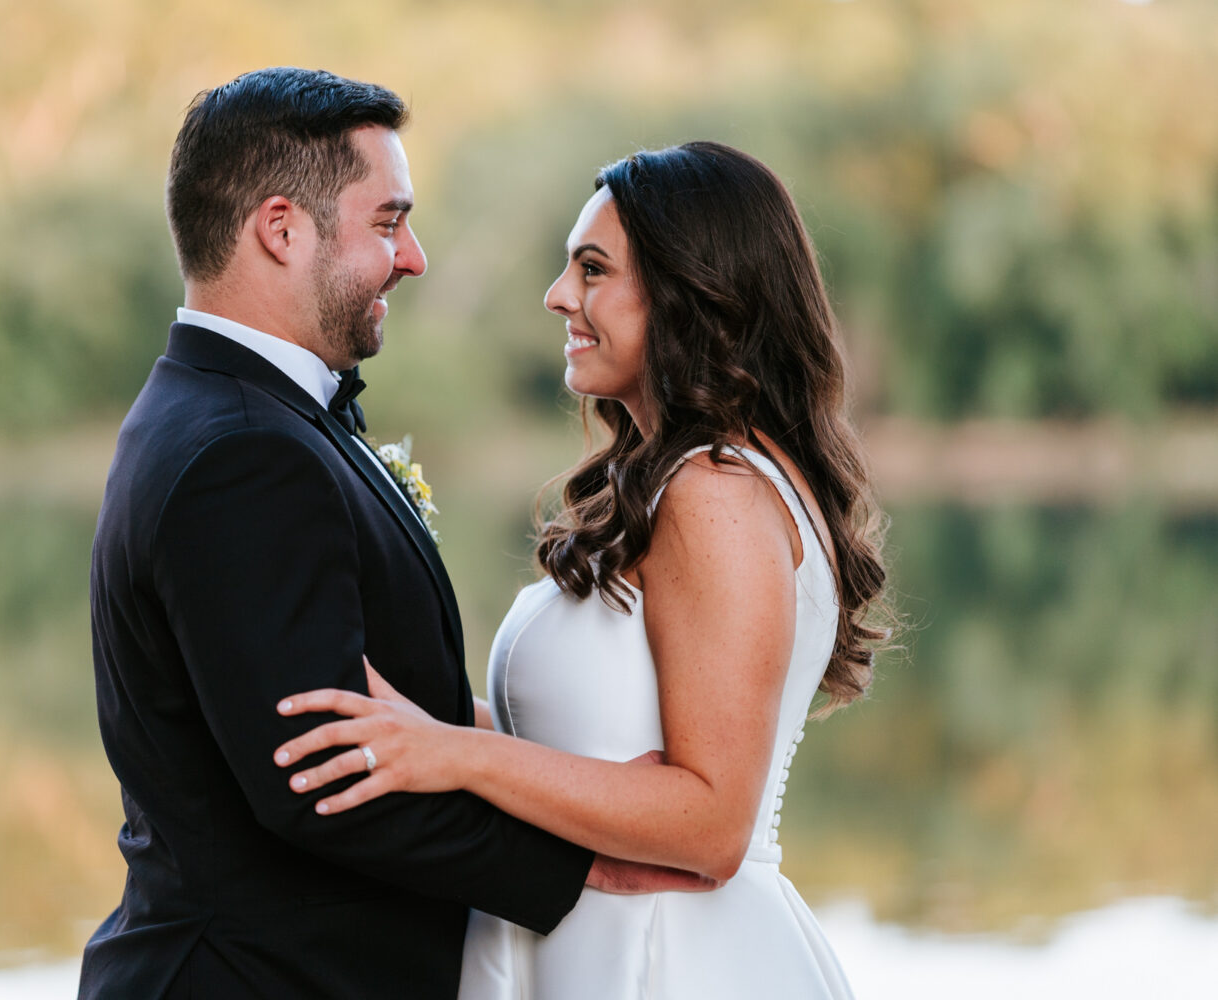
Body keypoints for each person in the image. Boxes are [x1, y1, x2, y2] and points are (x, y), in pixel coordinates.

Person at [78, 68, 703, 1000]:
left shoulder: (241, 418)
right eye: (387, 221)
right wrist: (581, 866)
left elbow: (399, 711)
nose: (412, 256)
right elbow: (321, 777)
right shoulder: (243, 452)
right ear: (281, 230)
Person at [274, 141, 891, 998]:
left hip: (667, 957)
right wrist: (420, 718)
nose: (559, 296)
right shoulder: (684, 478)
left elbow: (711, 820)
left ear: (690, 293)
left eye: (593, 269)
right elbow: (582, 746)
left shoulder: (715, 489)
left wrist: (455, 756)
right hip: (591, 935)